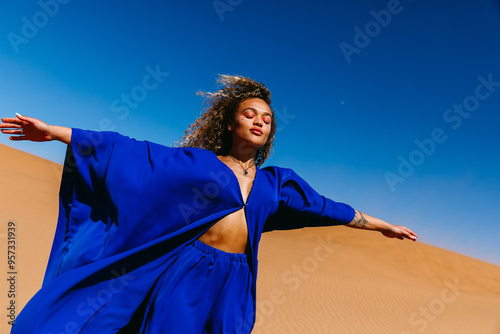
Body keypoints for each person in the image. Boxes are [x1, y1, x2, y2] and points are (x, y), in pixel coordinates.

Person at [1, 75, 417, 334]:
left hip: (236, 279)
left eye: (267, 119)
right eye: (250, 114)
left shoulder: (276, 182)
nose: (259, 121)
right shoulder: (200, 165)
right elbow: (134, 155)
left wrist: (383, 224)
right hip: (189, 270)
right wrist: (54, 132)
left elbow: (328, 207)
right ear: (231, 123)